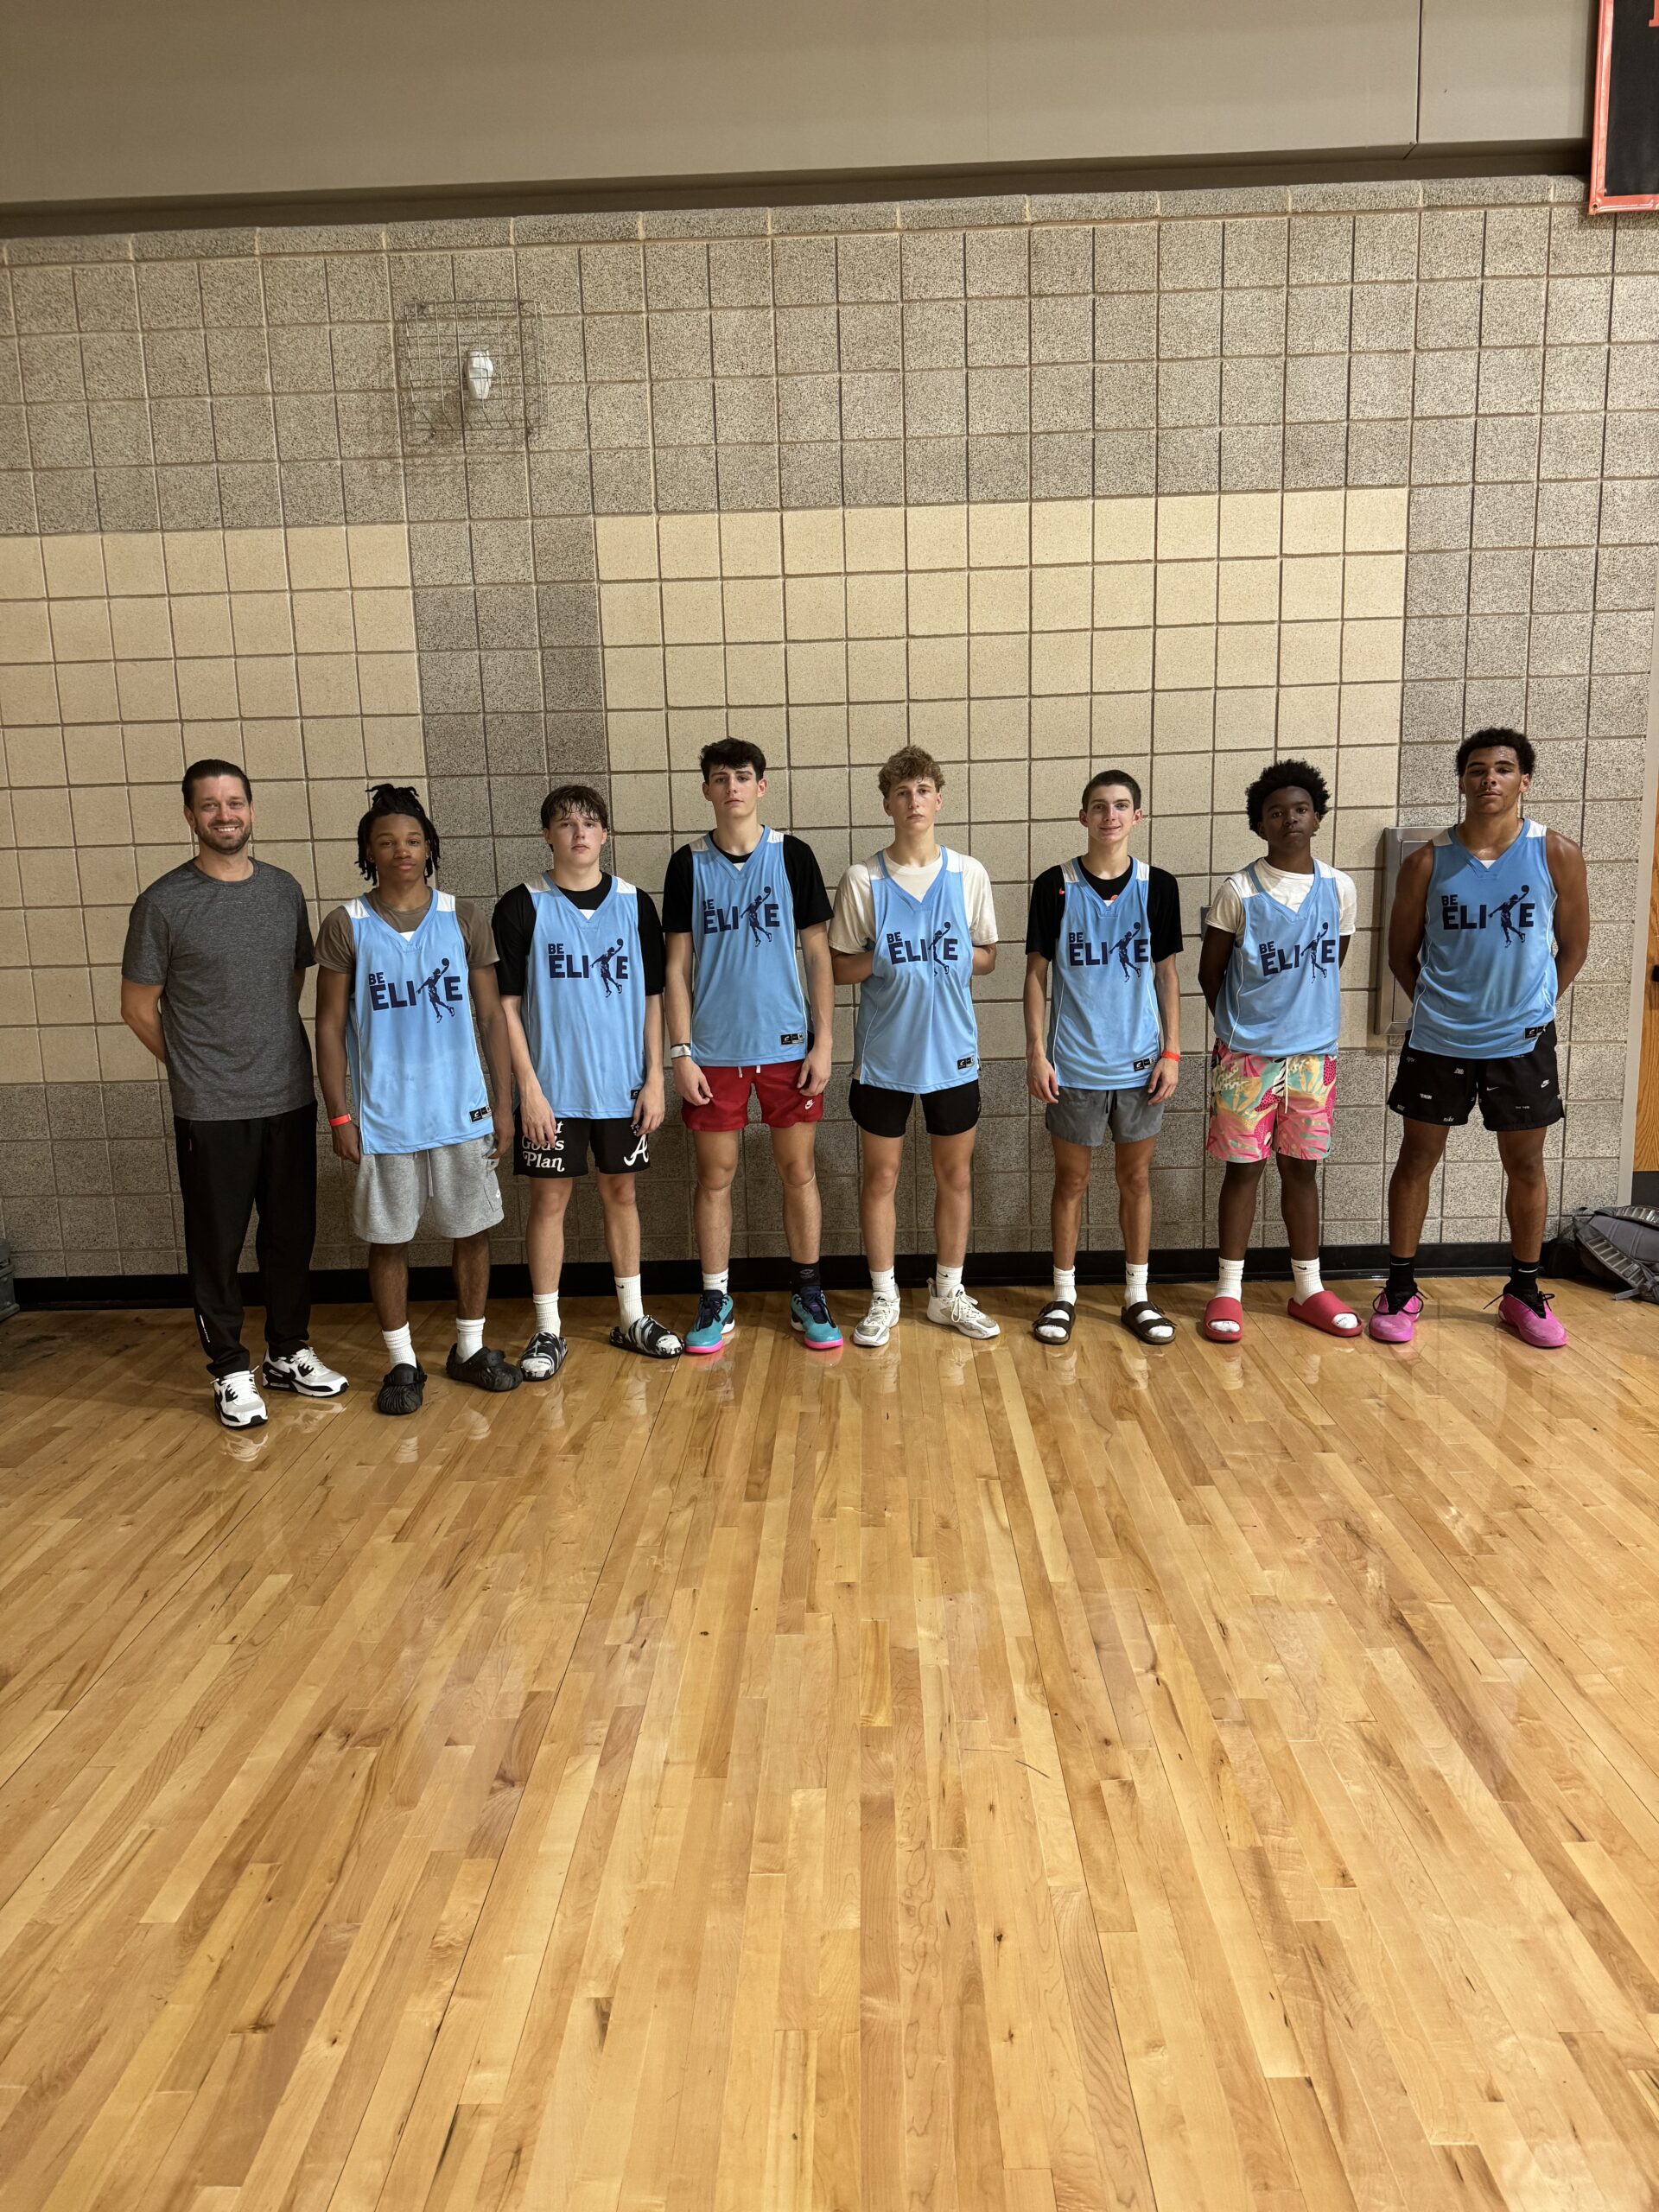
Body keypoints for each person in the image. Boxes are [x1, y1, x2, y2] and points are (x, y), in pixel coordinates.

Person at [120, 759, 346, 1429]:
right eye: (210, 805)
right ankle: (228, 1367)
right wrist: (196, 1066)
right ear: (190, 816)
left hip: (287, 1093)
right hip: (211, 1108)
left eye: (235, 802)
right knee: (217, 1245)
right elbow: (137, 1007)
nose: (225, 815)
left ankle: (288, 1351)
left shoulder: (283, 890)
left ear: (251, 809)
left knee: (290, 1235)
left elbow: (289, 982)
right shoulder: (163, 903)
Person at [1373, 728, 1589, 1348]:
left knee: (1525, 1164)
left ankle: (1523, 1292)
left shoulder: (1555, 852)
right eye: (1476, 769)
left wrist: (1535, 1008)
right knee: (1417, 1159)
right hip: (1438, 1039)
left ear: (1525, 781)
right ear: (1462, 781)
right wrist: (1444, 1008)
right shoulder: (1427, 861)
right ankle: (1400, 1288)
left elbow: (1574, 946)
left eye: (1502, 768)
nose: (1488, 778)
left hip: (1521, 1042)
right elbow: (1400, 953)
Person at [315, 785, 519, 1415]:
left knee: (472, 1231)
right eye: (386, 842)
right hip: (384, 1115)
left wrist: (504, 1105)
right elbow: (328, 1026)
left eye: (411, 840)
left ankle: (469, 1348)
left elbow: (493, 1017)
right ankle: (402, 1362)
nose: (401, 850)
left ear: (429, 847)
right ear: (368, 854)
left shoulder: (463, 917)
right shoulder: (347, 924)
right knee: (388, 1240)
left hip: (462, 1108)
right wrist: (340, 1113)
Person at [492, 784, 682, 1377]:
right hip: (553, 1092)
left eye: (590, 822)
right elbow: (506, 1007)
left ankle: (632, 1317)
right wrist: (528, 1090)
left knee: (621, 1194)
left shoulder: (634, 904)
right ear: (546, 835)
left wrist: (655, 1078)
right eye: (565, 823)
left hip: (622, 1088)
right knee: (549, 1201)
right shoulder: (521, 905)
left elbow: (653, 998)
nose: (579, 832)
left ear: (604, 834)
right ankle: (547, 1329)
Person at [663, 737, 841, 1355]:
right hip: (714, 1052)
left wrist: (824, 1041)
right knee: (716, 1177)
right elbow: (676, 966)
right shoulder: (687, 864)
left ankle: (808, 1292)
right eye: (720, 778)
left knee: (798, 1171)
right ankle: (716, 1297)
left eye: (742, 776)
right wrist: (680, 1051)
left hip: (788, 1046)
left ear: (761, 786)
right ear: (706, 790)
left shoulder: (793, 856)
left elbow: (818, 955)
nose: (732, 787)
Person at [830, 746, 1000, 1346]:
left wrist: (953, 955)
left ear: (938, 800)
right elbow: (838, 967)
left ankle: (947, 1292)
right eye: (902, 792)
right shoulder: (864, 880)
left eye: (923, 790)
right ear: (887, 805)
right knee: (881, 1177)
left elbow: (989, 956)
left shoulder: (967, 874)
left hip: (952, 1053)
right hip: (885, 1059)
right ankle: (884, 1295)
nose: (913, 801)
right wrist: (882, 957)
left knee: (955, 1175)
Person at [1198, 760, 1359, 1343]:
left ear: (1317, 817)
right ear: (1259, 824)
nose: (1289, 819)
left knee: (1301, 1170)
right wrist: (1246, 1029)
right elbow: (1210, 973)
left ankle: (1308, 1289)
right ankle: (1228, 1290)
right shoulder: (1238, 891)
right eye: (1276, 812)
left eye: (1300, 809)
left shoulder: (1339, 888)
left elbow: (1333, 959)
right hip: (1248, 1057)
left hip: (1314, 1057)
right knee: (1243, 1171)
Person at [1024, 768, 1182, 1346]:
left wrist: (1172, 1050)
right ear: (1083, 816)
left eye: (1120, 806)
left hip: (1141, 1065)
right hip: (1073, 1065)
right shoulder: (1055, 885)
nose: (1109, 815)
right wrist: (1035, 1052)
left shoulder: (1158, 886)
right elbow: (1035, 976)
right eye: (1098, 806)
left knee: (1135, 1178)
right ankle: (1063, 1295)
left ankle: (1136, 1295)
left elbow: (1167, 975)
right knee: (1072, 1180)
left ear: (1137, 816)